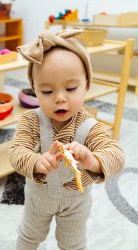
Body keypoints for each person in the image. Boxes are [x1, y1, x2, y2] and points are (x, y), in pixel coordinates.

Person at [8, 29, 125, 250]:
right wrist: (35, 162)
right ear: (34, 90)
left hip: (76, 202)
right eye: (47, 91)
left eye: (71, 88)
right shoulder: (30, 121)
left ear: (86, 85)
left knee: (73, 244)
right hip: (38, 198)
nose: (60, 98)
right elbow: (16, 150)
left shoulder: (90, 126)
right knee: (29, 236)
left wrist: (93, 161)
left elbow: (116, 154)